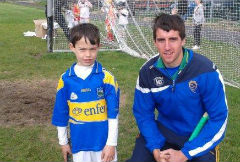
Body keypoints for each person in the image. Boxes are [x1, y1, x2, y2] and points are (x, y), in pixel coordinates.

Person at [126, 13, 228, 162]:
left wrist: (184, 154)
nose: (167, 47)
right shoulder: (148, 71)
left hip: (196, 135)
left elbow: (219, 118)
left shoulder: (207, 71)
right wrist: (155, 148)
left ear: (183, 40)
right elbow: (143, 114)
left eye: (173, 39)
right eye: (161, 40)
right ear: (155, 42)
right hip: (163, 132)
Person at [52, 23, 120, 162]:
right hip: (79, 146)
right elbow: (61, 114)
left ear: (99, 46)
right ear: (72, 47)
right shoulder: (65, 80)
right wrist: (63, 142)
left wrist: (111, 144)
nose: (88, 54)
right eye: (82, 49)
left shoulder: (107, 78)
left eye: (92, 49)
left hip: (103, 145)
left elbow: (113, 115)